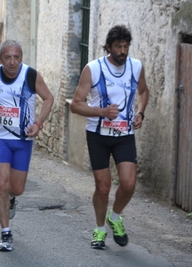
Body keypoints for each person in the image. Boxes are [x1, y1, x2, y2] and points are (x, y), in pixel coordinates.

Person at [70, 25, 149, 250]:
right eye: (118, 47)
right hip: (98, 135)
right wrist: (102, 112)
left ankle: (115, 217)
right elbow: (75, 105)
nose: (123, 51)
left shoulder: (135, 67)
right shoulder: (93, 69)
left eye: (126, 47)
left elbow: (144, 91)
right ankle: (99, 229)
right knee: (103, 187)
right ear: (108, 47)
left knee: (129, 183)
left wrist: (141, 112)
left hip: (124, 134)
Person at [0, 40, 54, 251]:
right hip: (0, 138)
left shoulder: (30, 76)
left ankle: (11, 198)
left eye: (16, 57)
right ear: (0, 58)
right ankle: (6, 233)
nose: (12, 62)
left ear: (21, 57)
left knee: (16, 188)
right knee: (1, 183)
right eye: (7, 57)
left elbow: (48, 98)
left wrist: (38, 123)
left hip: (23, 140)